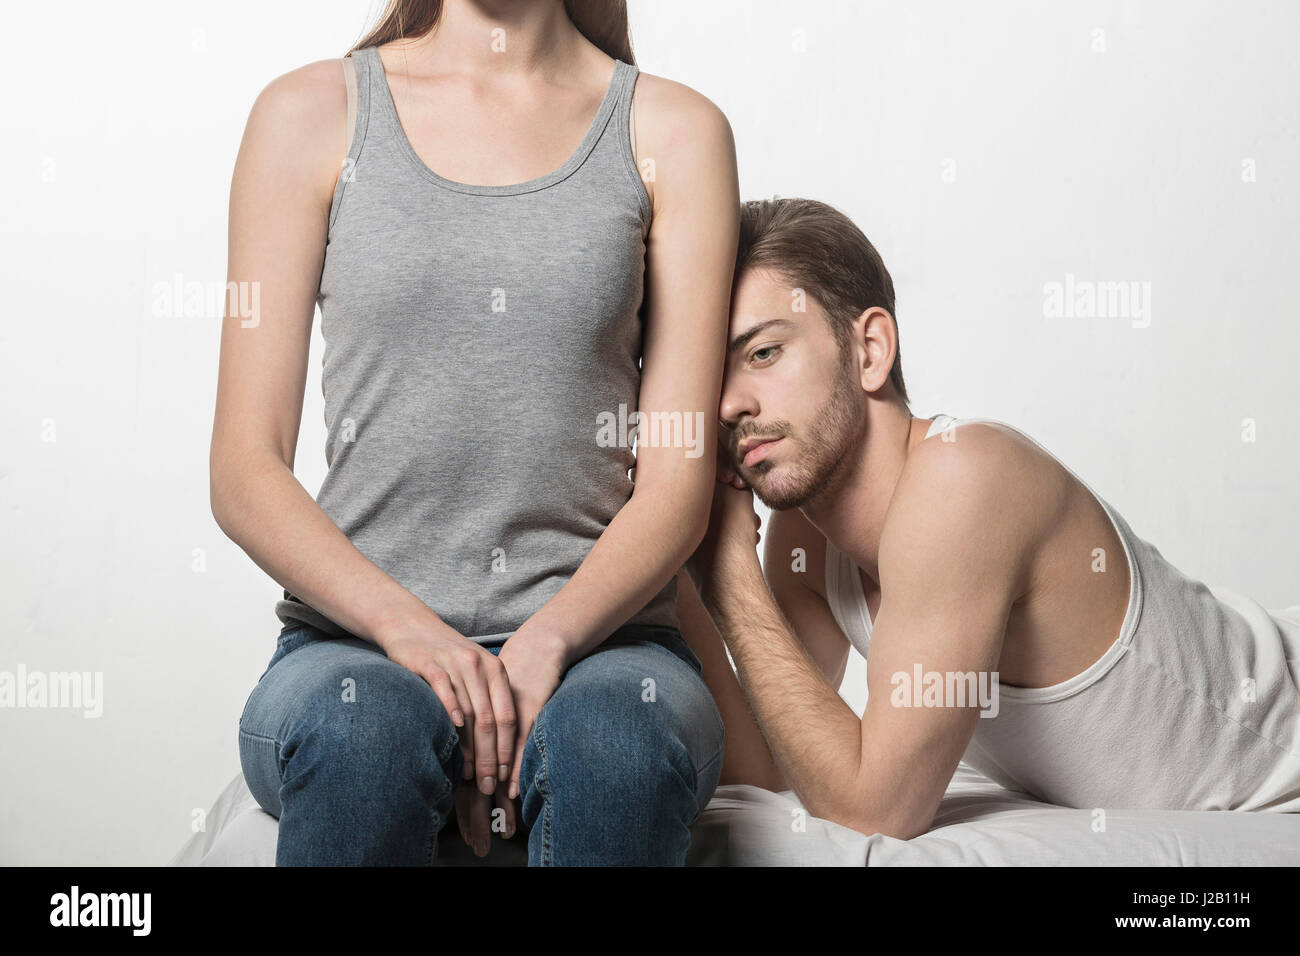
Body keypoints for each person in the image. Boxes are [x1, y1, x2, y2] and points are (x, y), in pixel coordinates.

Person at [211, 0, 739, 865]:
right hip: (350, 645)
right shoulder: (308, 115)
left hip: (610, 648)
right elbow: (242, 466)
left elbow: (676, 484)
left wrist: (549, 642)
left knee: (615, 748)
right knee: (364, 734)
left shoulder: (676, 131)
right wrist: (410, 633)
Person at [676, 196, 1300, 840]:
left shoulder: (961, 478)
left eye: (763, 353)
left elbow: (875, 811)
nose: (727, 405)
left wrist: (728, 571)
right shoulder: (806, 539)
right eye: (711, 373)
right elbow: (767, 765)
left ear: (869, 349)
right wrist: (687, 556)